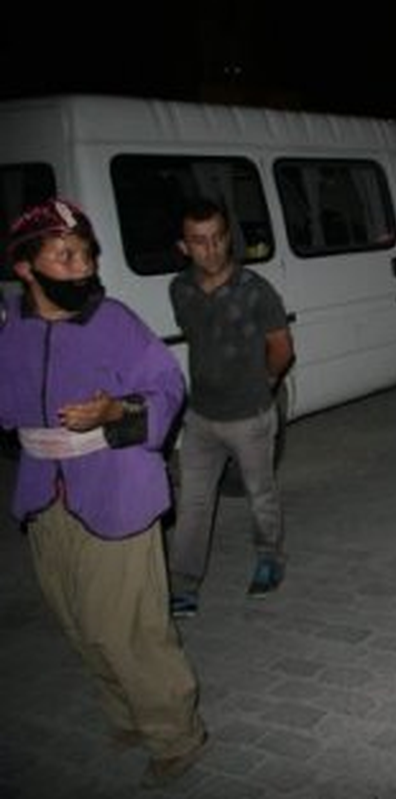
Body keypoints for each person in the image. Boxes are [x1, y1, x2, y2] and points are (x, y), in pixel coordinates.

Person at [0, 198, 207, 788]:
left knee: (129, 626)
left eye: (85, 255)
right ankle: (129, 716)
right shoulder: (12, 330)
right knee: (78, 622)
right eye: (63, 256)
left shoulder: (112, 321)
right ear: (24, 266)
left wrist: (117, 410)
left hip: (117, 492)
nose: (81, 267)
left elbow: (168, 386)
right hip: (46, 498)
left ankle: (176, 735)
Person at [167, 197, 294, 617]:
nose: (212, 248)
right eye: (199, 241)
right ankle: (184, 583)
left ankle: (269, 558)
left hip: (250, 415)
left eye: (219, 238)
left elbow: (281, 348)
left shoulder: (255, 290)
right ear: (184, 247)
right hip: (201, 417)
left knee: (260, 494)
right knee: (193, 503)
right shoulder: (180, 289)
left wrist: (267, 382)